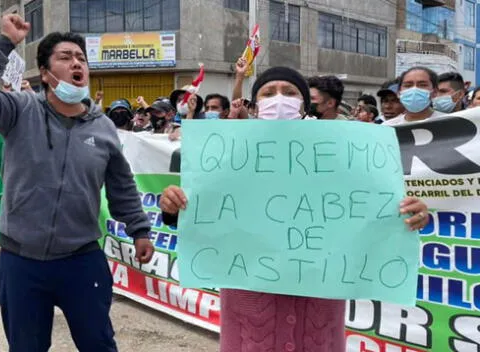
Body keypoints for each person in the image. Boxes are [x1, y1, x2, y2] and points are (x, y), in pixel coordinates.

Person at [158, 66, 431, 352]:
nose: (279, 99)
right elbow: (202, 212)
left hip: (318, 322)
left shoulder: (337, 152)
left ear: (304, 103)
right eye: (268, 93)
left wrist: (410, 214)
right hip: (250, 326)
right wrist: (173, 206)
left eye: (289, 93)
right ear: (256, 104)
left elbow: (368, 211)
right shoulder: (228, 154)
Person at [0, 14, 154, 352]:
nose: (76, 63)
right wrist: (4, 44)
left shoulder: (103, 128)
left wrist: (140, 229)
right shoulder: (18, 111)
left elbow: (122, 185)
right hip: (20, 262)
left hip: (81, 260)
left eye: (81, 58)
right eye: (65, 57)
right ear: (45, 74)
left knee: (99, 344)